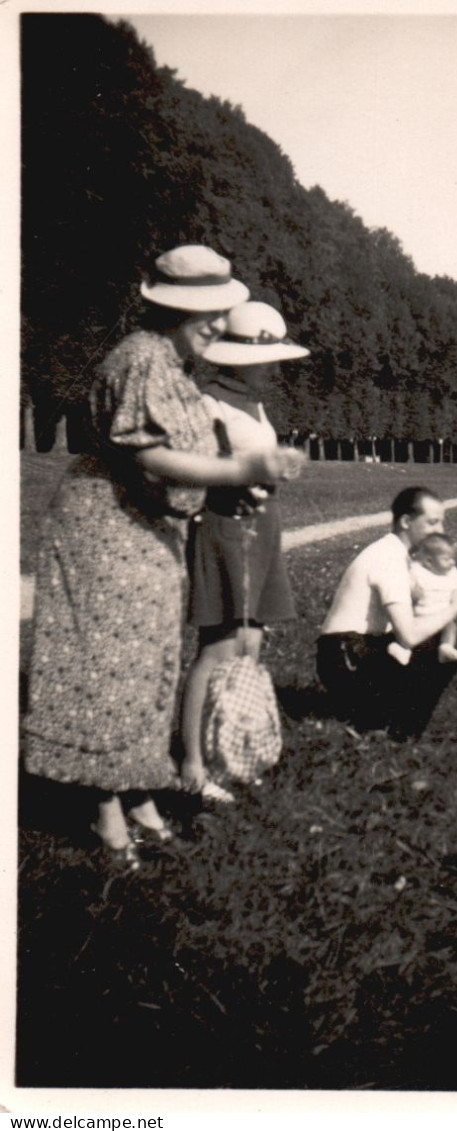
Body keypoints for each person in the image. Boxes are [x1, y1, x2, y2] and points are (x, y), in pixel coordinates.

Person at [22, 246, 298, 873]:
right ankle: (105, 809)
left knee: (149, 665)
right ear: (168, 308)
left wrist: (234, 480)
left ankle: (141, 795)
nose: (215, 324)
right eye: (201, 312)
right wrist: (239, 468)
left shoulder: (173, 365)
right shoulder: (142, 359)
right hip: (108, 529)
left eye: (219, 312)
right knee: (110, 670)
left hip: (147, 532)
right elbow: (150, 458)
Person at [180, 301, 308, 795]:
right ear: (237, 356)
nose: (276, 368)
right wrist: (241, 484)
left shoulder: (254, 400)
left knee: (251, 643)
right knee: (218, 646)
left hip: (262, 523)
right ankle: (193, 764)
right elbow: (195, 470)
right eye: (268, 358)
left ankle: (235, 748)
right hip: (226, 523)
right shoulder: (209, 399)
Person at [316, 487, 457, 739]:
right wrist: (453, 608)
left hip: (347, 651)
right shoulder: (389, 559)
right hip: (346, 654)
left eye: (441, 522)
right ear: (406, 521)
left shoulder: (396, 554)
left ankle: (376, 718)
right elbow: (408, 636)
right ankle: (396, 729)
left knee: (437, 639)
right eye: (432, 522)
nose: (440, 531)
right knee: (439, 645)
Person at [387, 532, 457, 666]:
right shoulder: (418, 572)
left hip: (444, 616)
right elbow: (404, 582)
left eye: (453, 558)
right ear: (429, 561)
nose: (452, 562)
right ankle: (403, 649)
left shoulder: (453, 573)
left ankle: (446, 647)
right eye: (447, 559)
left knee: (451, 627)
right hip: (420, 614)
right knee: (406, 627)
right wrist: (412, 590)